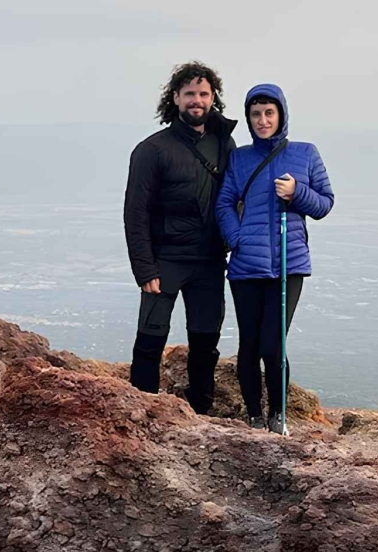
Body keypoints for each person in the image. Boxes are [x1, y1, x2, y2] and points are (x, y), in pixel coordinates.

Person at [216, 83, 335, 434]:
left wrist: (297, 193)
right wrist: (236, 238)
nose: (262, 120)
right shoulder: (239, 158)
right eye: (256, 114)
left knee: (273, 343)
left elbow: (325, 204)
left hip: (289, 263)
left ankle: (277, 416)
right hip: (246, 266)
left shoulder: (305, 153)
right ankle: (254, 416)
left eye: (269, 113)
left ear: (281, 114)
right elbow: (224, 202)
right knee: (248, 345)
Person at [123, 61, 239, 415]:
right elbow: (135, 213)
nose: (197, 100)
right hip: (165, 260)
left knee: (206, 342)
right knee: (150, 339)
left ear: (213, 98)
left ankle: (200, 414)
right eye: (189, 93)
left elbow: (237, 198)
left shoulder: (225, 144)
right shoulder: (152, 150)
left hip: (208, 260)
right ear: (175, 98)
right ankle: (141, 412)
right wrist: (144, 269)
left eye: (204, 94)